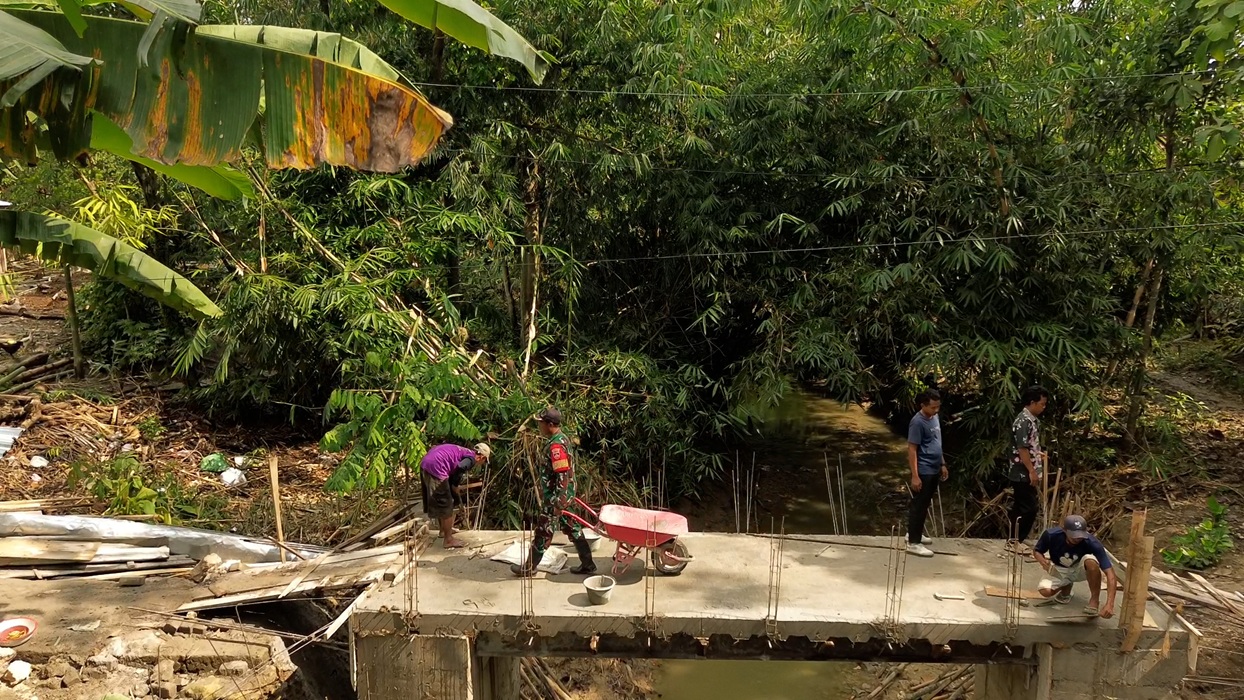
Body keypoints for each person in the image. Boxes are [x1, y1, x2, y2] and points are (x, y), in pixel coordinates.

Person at [512, 406, 597, 577]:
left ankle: (529, 568)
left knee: (543, 531)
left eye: (541, 423)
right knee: (573, 529)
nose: (539, 426)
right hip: (566, 496)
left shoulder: (556, 446)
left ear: (550, 424)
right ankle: (588, 564)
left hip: (556, 499)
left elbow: (562, 475)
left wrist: (559, 502)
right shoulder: (562, 439)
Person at [1033, 514, 1117, 618]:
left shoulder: (1092, 542)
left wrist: (1110, 604)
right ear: (1064, 530)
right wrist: (1043, 561)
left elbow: (1110, 573)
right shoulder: (1051, 535)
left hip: (1079, 568)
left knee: (1090, 561)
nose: (1077, 538)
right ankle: (1066, 588)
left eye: (1080, 535)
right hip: (1059, 568)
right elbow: (1037, 551)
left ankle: (1094, 600)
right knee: (1045, 591)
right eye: (1073, 535)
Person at [420, 442, 491, 549]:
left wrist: (452, 485)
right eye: (484, 461)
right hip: (436, 467)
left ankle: (443, 531)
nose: (482, 463)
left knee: (442, 501)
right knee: (447, 504)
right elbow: (460, 467)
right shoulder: (471, 459)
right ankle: (448, 540)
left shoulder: (464, 452)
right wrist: (455, 485)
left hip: (426, 464)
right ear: (481, 457)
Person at [906, 388, 947, 557]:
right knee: (919, 505)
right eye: (932, 407)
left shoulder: (934, 417)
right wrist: (915, 475)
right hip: (924, 469)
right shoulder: (917, 422)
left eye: (938, 407)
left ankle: (915, 533)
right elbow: (912, 449)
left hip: (935, 467)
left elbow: (937, 441)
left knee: (925, 504)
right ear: (923, 405)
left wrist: (943, 463)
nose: (936, 410)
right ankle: (913, 543)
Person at [1007, 385, 1049, 546]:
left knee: (1022, 505)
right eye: (1042, 404)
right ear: (1032, 402)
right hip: (1021, 471)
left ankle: (1016, 539)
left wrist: (1038, 454)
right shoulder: (1023, 421)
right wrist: (1031, 470)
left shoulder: (1031, 421)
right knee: (1028, 507)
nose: (1043, 407)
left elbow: (1030, 446)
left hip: (1027, 469)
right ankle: (1015, 539)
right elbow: (1022, 448)